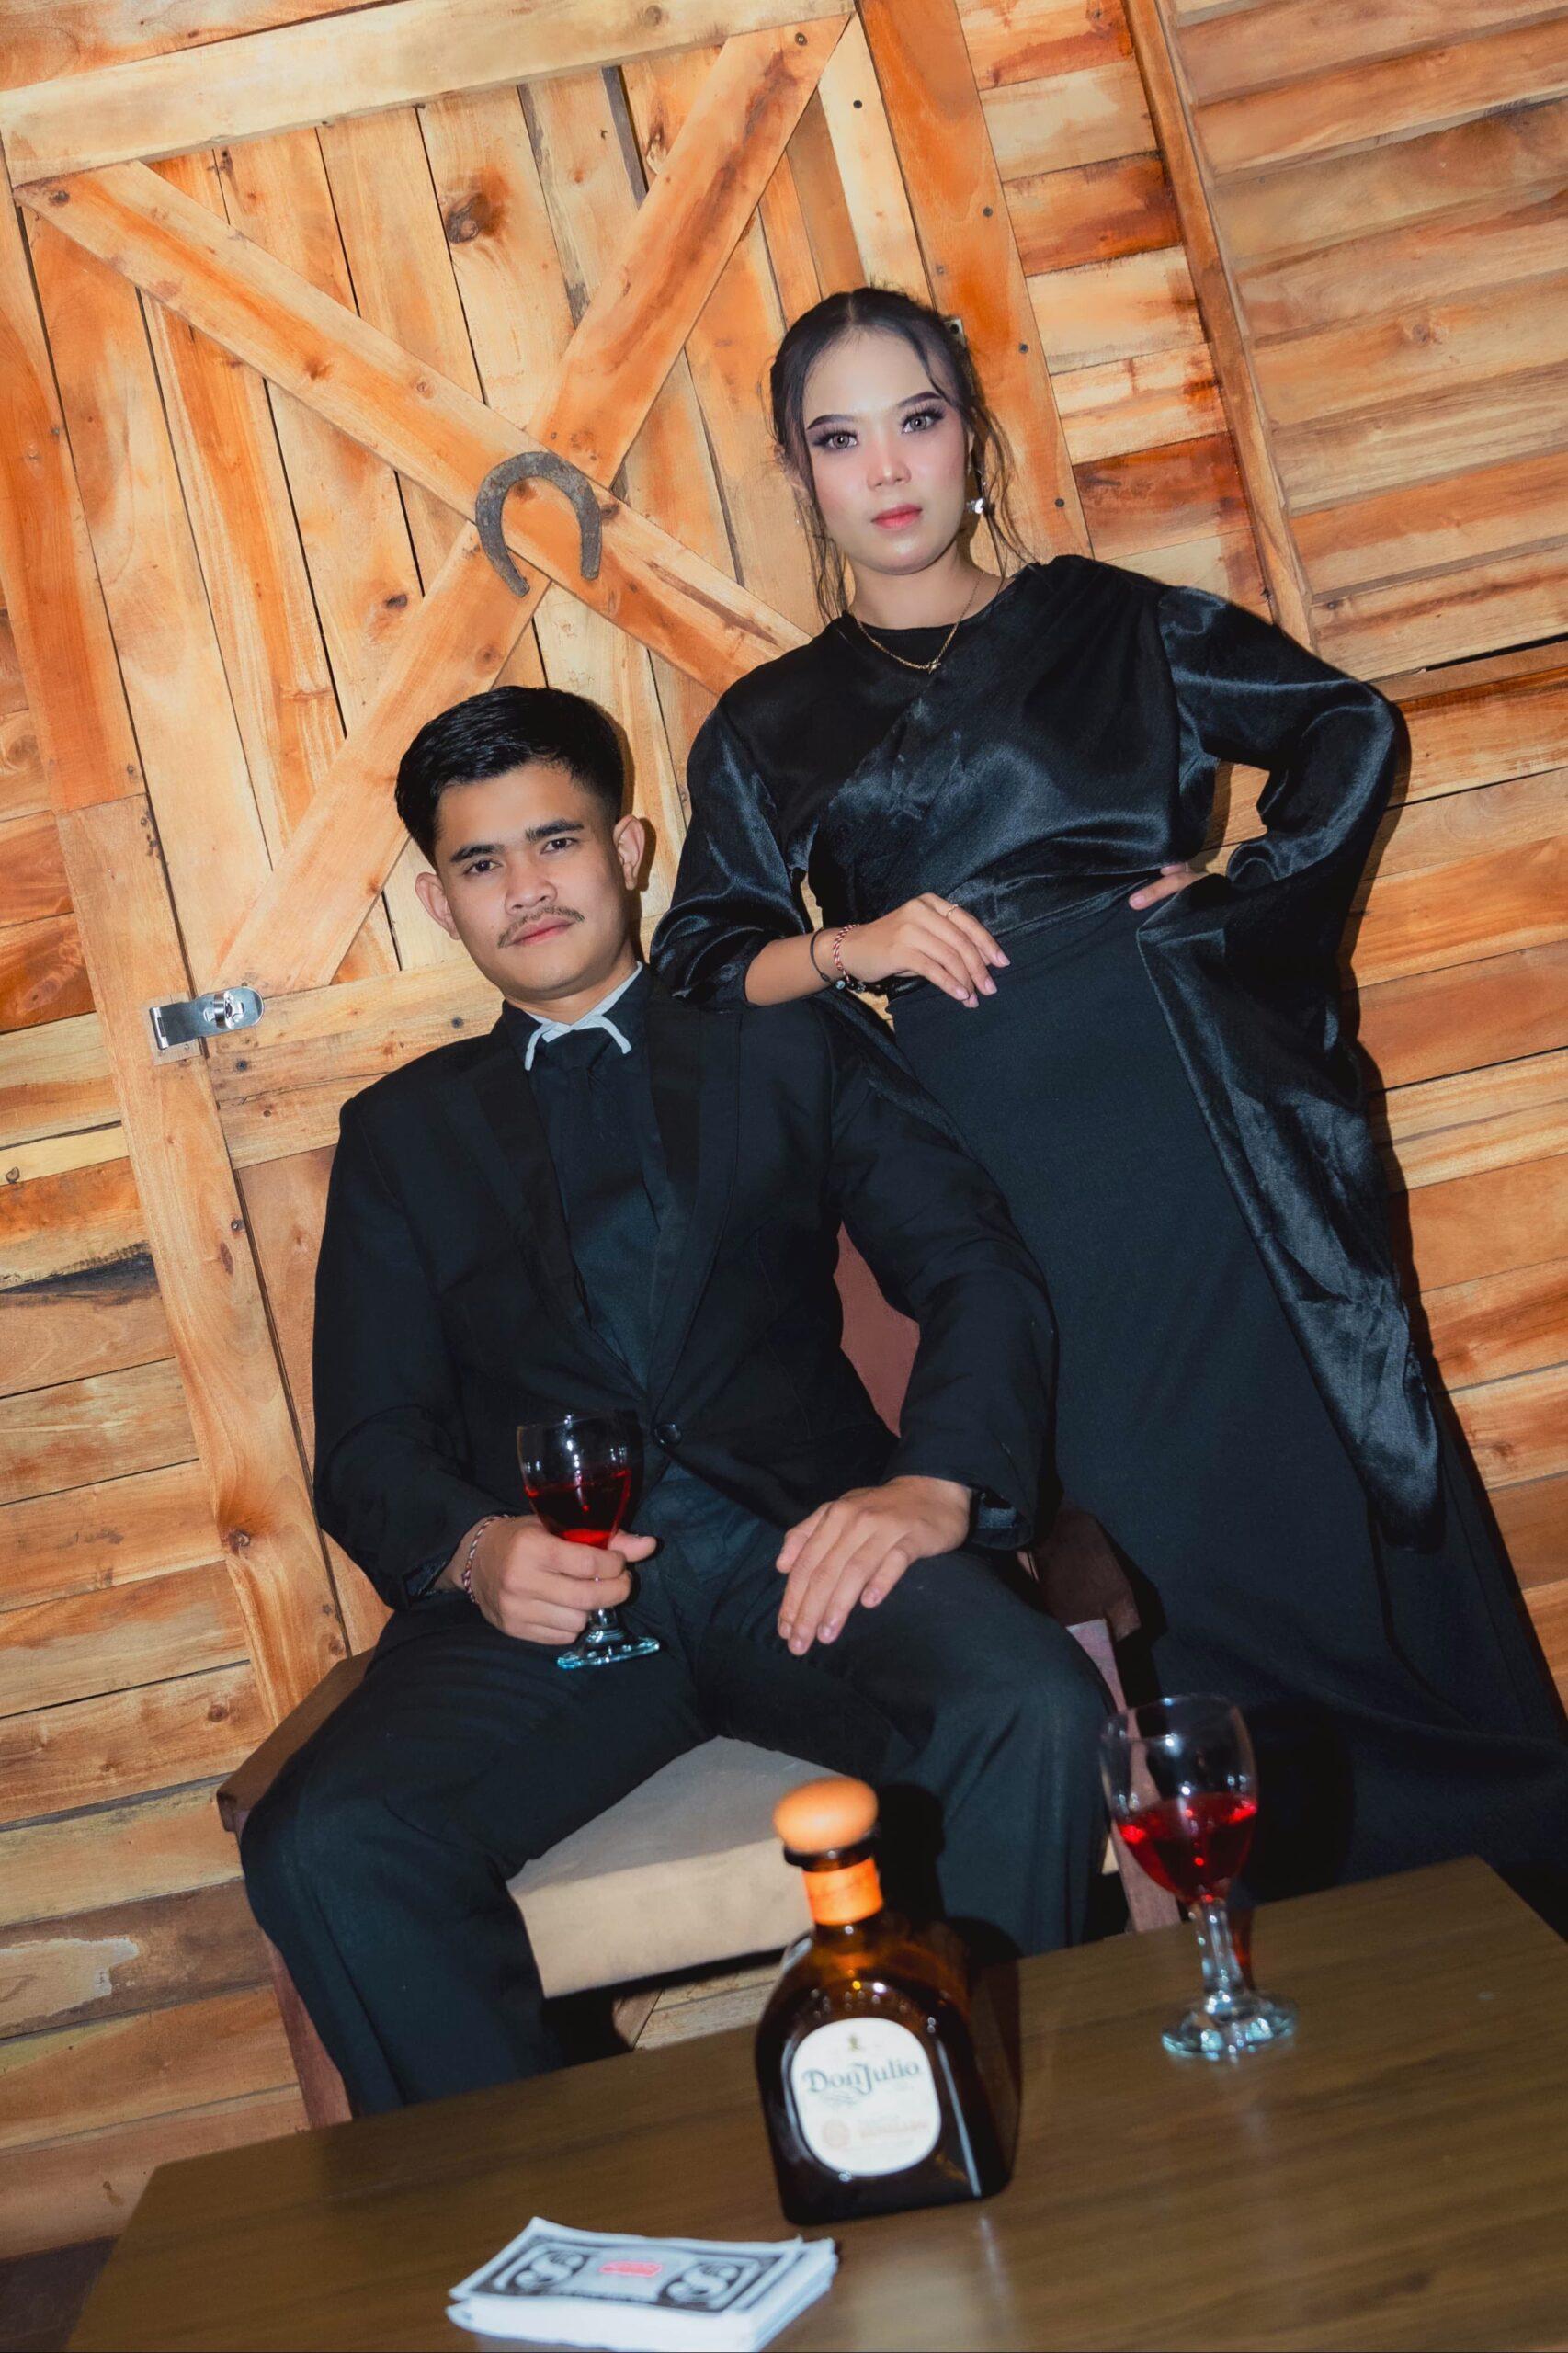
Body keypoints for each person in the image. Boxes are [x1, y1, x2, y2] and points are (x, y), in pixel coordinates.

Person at [653, 285, 1568, 1900]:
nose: (887, 470)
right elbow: (700, 966)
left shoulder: (1111, 621)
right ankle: (1271, 1923)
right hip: (1010, 1183)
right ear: (798, 475)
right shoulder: (765, 723)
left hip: (1199, 1131)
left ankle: (1499, 1884)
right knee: (1162, 1553)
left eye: (917, 420)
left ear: (970, 435)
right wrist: (851, 944)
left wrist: (1234, 895)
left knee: (1311, 1506)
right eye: (840, 440)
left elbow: (1345, 727)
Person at [239, 684, 1109, 2114]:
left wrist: (933, 1482)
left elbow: (973, 1270)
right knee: (325, 1841)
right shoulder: (399, 1134)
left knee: (1031, 1707)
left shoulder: (788, 1040)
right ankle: (534, 2211)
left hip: (805, 1551)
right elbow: (371, 1443)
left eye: (555, 841)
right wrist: (476, 1550)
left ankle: (997, 2120)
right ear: (438, 903)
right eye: (480, 863)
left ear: (628, 849)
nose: (527, 888)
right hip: (555, 1607)